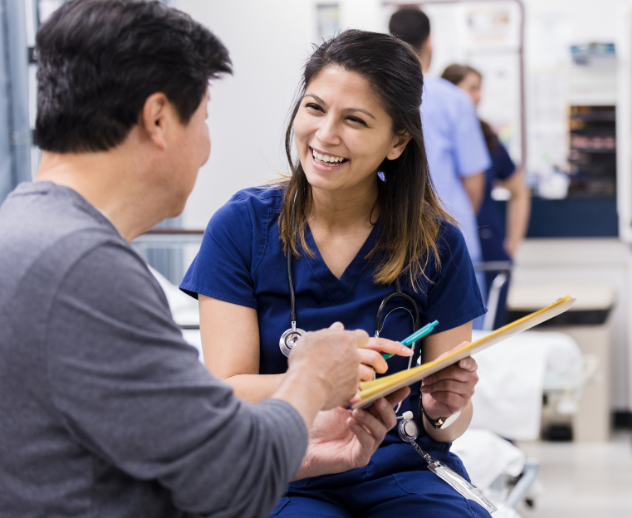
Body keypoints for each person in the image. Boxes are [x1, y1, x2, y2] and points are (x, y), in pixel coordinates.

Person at [0, 2, 407, 517]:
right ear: (159, 120)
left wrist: (299, 450)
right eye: (205, 118)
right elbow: (226, 479)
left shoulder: (27, 234)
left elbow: (180, 454)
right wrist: (312, 376)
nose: (207, 149)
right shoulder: (83, 269)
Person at [180, 30, 490, 517]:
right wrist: (331, 377)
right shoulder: (242, 228)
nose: (325, 135)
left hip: (404, 469)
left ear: (398, 141)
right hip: (286, 472)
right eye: (315, 108)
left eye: (355, 120)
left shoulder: (437, 243)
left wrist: (441, 408)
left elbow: (448, 423)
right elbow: (228, 390)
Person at [389, 8, 491, 287]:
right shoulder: (455, 100)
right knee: (467, 329)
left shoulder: (382, 99)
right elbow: (473, 181)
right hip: (451, 237)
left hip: (393, 239)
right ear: (429, 42)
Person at [441, 64, 531, 329]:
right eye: (472, 88)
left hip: (488, 249)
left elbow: (519, 191)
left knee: (490, 333)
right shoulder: (432, 135)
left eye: (480, 88)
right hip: (449, 247)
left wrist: (512, 245)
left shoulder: (486, 137)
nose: (478, 96)